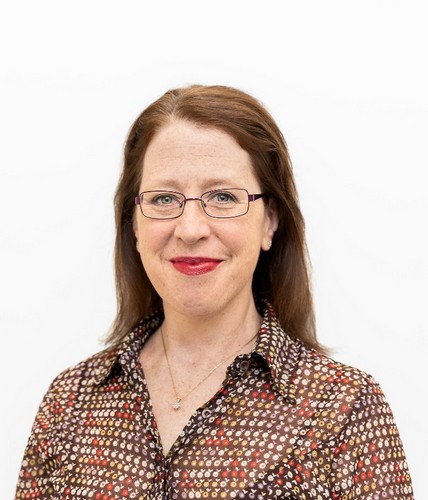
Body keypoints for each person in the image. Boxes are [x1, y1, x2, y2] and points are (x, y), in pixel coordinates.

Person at [15, 85, 413, 499]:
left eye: (222, 197)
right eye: (164, 198)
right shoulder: (69, 402)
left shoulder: (342, 408)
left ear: (270, 220)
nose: (190, 229)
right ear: (134, 223)